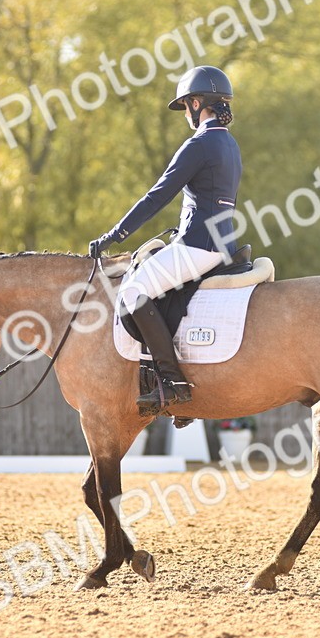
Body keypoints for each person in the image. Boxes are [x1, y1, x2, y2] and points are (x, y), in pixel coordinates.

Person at [88, 65, 242, 415]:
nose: (186, 113)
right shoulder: (229, 144)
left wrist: (115, 235)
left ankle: (172, 382)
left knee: (130, 292)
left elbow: (157, 197)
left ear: (198, 103)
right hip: (222, 244)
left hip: (198, 246)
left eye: (187, 105)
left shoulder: (199, 144)